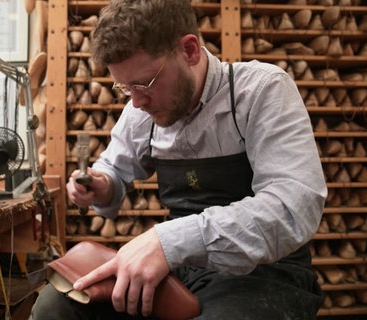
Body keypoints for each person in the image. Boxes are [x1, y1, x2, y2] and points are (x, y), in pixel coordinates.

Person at [32, 0, 327, 318]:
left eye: (144, 84)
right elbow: (113, 167)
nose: (137, 101)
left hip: (266, 272)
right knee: (56, 306)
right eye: (125, 87)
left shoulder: (261, 90)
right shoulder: (140, 108)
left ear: (189, 51)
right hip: (181, 268)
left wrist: (171, 240)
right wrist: (102, 184)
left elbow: (294, 205)